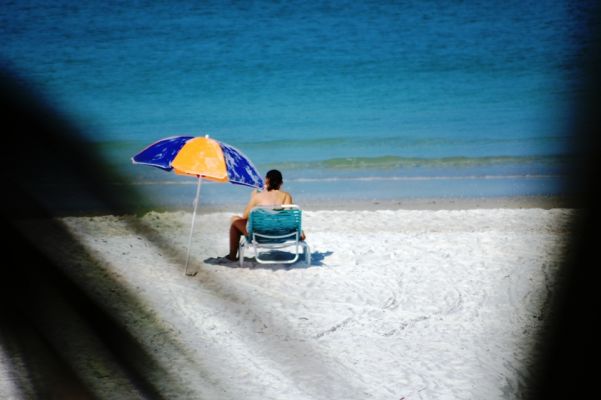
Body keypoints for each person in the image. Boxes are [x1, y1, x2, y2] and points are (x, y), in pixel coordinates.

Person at [225, 169, 304, 261]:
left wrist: (253, 196)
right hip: (282, 235)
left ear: (266, 180)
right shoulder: (286, 196)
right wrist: (300, 230)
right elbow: (288, 217)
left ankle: (232, 255)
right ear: (281, 183)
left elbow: (245, 216)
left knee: (235, 219)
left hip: (259, 235)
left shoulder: (258, 197)